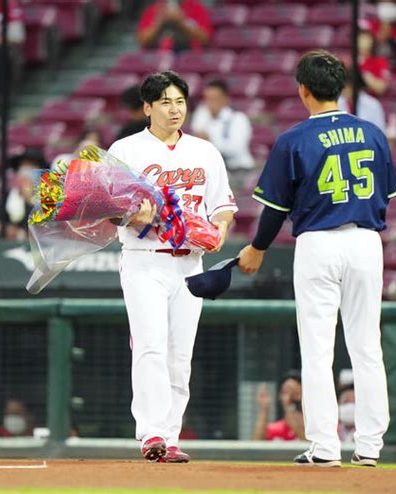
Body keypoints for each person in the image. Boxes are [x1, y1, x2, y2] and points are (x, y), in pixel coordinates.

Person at [238, 50, 396, 468]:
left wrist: (257, 247)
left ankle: (326, 447)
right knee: (367, 347)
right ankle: (369, 446)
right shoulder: (372, 133)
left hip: (318, 244)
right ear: (341, 89)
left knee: (317, 350)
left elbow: (275, 208)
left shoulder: (294, 139)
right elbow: (387, 195)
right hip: (366, 241)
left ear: (303, 91)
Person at [108, 70, 237, 463]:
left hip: (191, 264)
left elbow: (223, 208)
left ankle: (171, 434)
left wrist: (218, 232)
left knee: (180, 354)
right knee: (150, 347)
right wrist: (133, 217)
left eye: (179, 100)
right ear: (147, 107)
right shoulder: (126, 149)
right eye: (164, 101)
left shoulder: (204, 151)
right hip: (145, 260)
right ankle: (151, 434)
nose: (174, 108)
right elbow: (109, 210)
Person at [191, 79, 255, 184]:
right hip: (214, 170)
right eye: (207, 99)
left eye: (214, 99)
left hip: (238, 170)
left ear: (225, 99)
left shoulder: (238, 119)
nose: (209, 103)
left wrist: (210, 140)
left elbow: (235, 149)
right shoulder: (202, 115)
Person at [0, 147, 46, 240]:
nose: (26, 171)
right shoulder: (9, 195)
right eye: (23, 166)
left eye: (31, 165)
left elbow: (44, 228)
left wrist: (29, 199)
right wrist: (7, 229)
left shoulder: (47, 196)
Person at [137, 0, 212, 53]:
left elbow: (205, 39)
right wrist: (159, 22)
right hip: (157, 57)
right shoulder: (154, 9)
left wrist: (182, 22)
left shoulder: (196, 7)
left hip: (187, 58)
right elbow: (143, 41)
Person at [254, 370, 305, 441]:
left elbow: (305, 441)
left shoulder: (312, 427)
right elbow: (258, 442)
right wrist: (264, 409)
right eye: (285, 391)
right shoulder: (277, 428)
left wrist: (288, 405)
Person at [366, 1, 396, 73]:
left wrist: (390, 40)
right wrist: (377, 40)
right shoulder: (372, 25)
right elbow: (367, 54)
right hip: (377, 72)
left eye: (392, 24)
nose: (386, 26)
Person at [356, 29, 391, 96]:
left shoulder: (379, 61)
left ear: (372, 41)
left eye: (365, 38)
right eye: (360, 38)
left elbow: (381, 88)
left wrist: (364, 74)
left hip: (370, 99)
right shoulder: (349, 61)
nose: (362, 41)